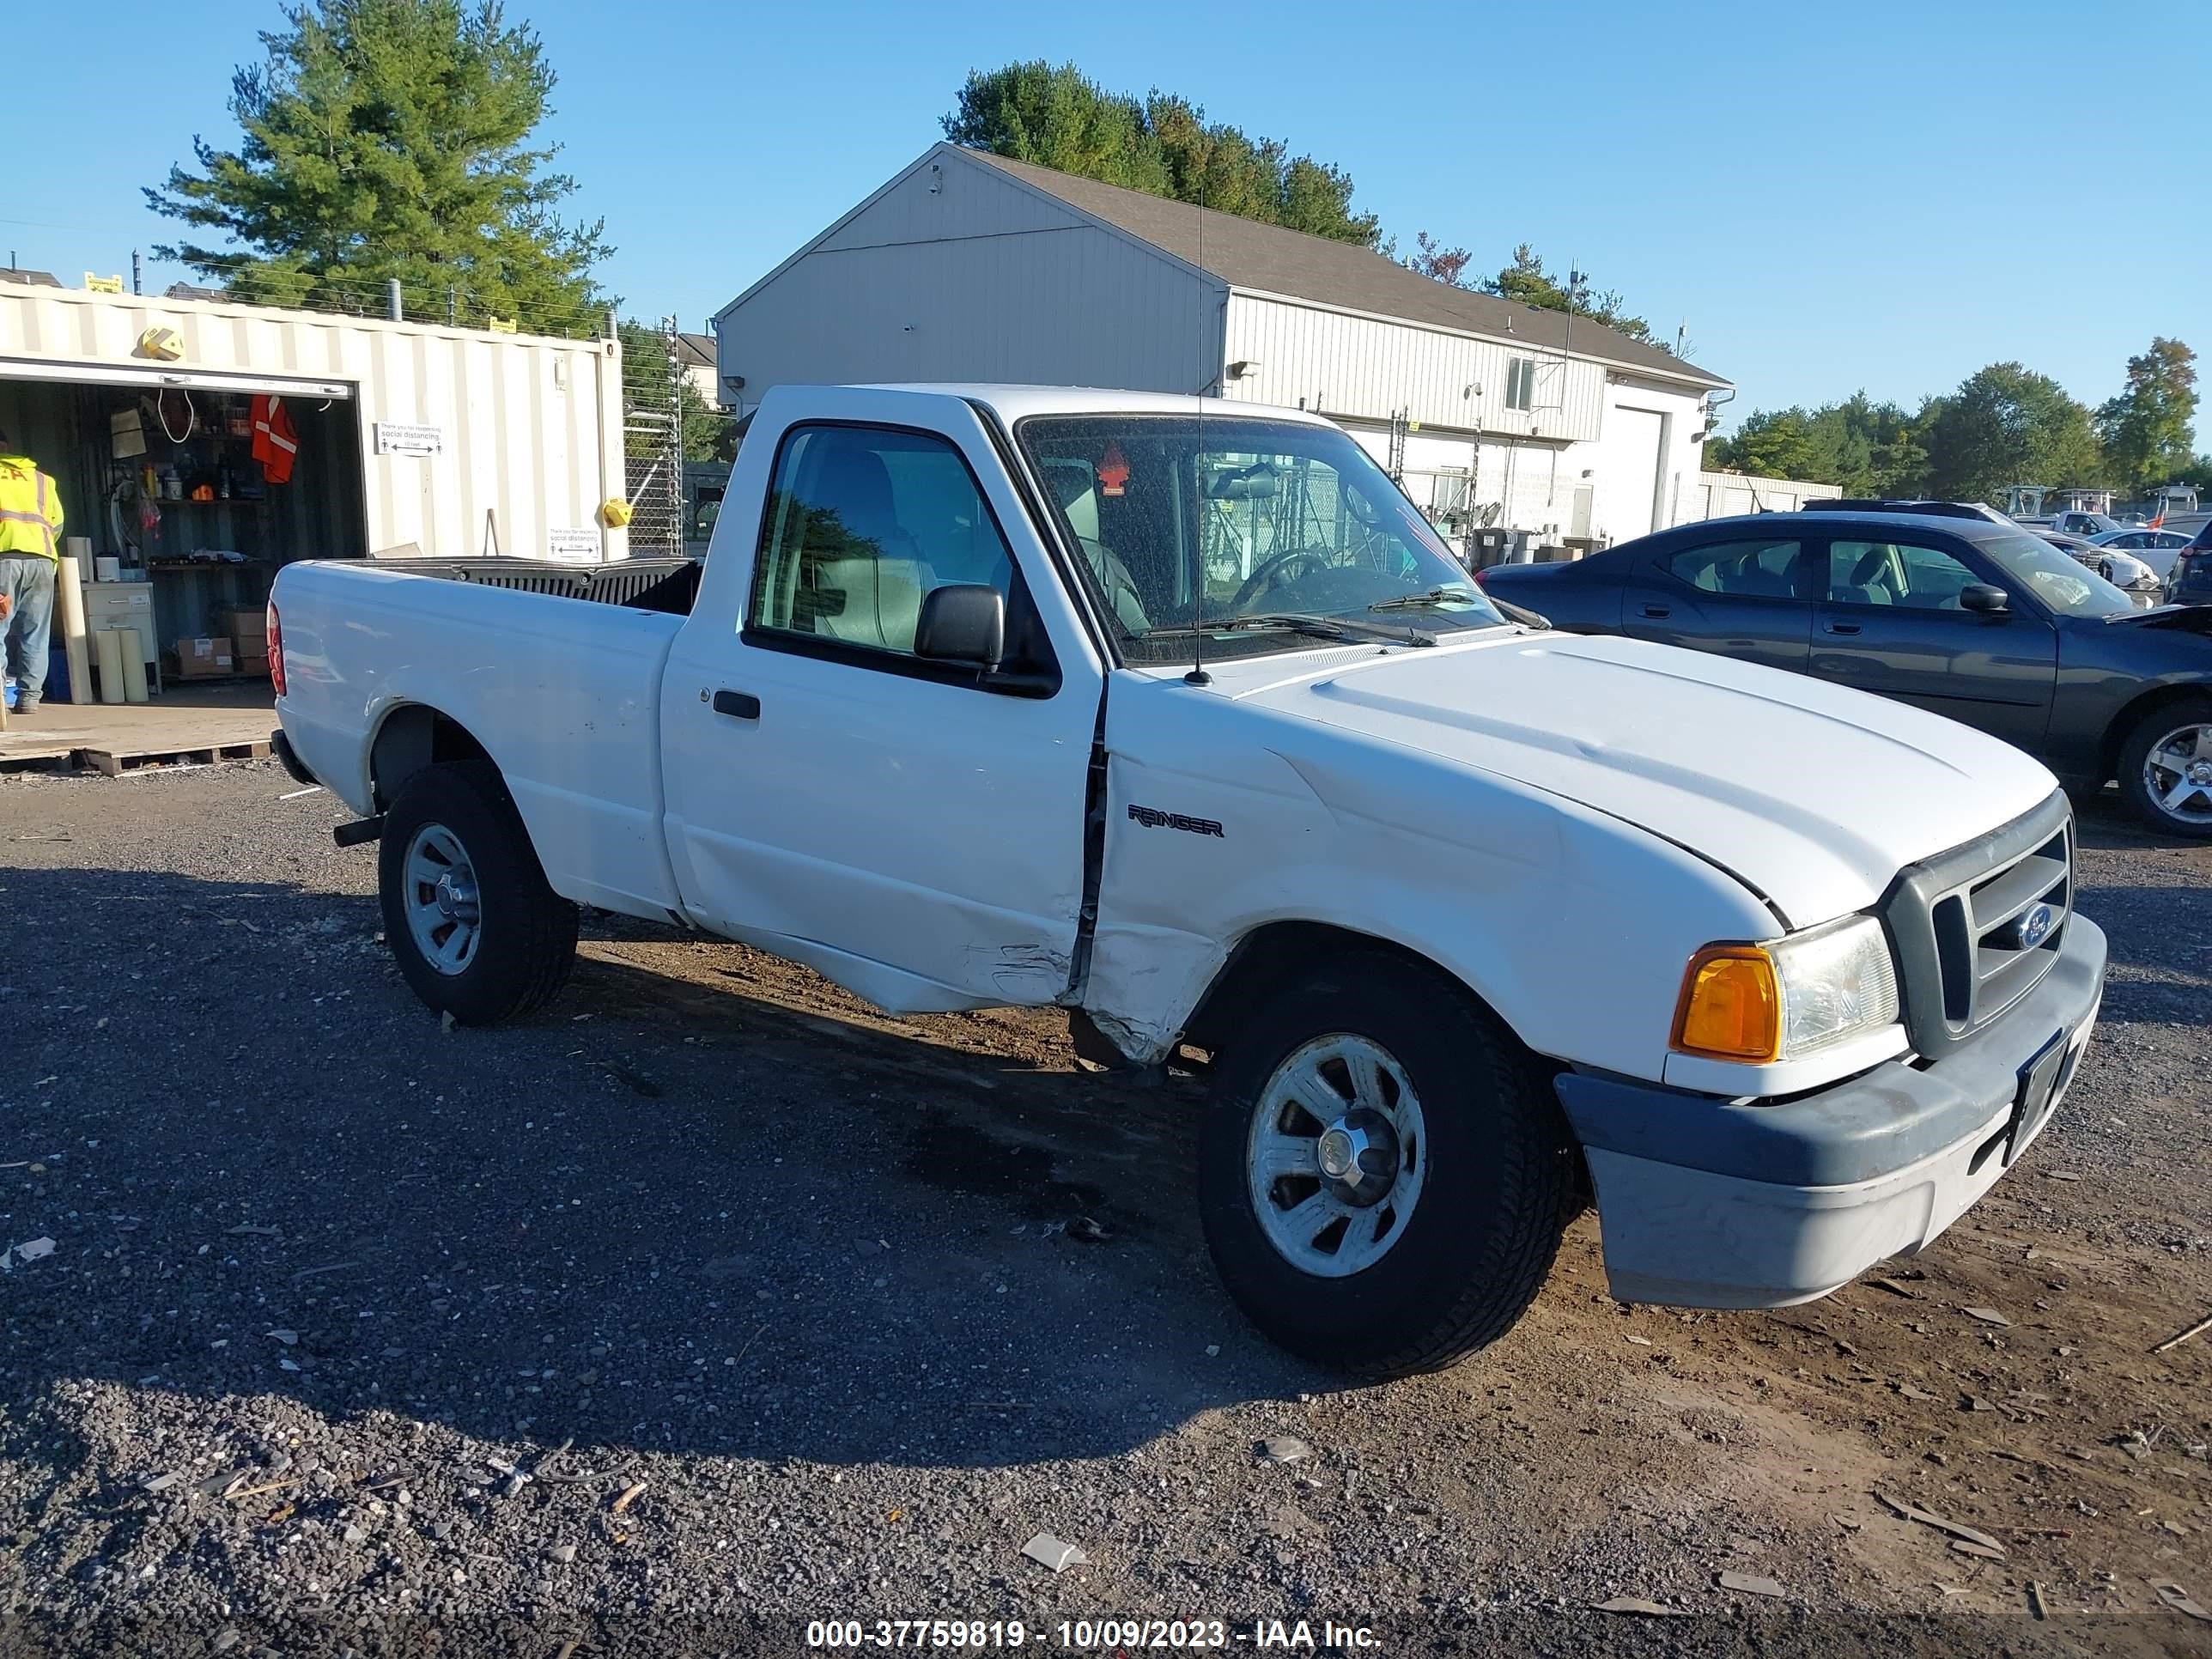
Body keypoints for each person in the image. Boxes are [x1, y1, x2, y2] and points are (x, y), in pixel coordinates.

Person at [0, 425, 64, 714]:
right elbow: (57, 524)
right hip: (41, 560)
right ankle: (29, 700)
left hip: (3, 560)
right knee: (36, 633)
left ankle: (0, 699)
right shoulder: (42, 480)